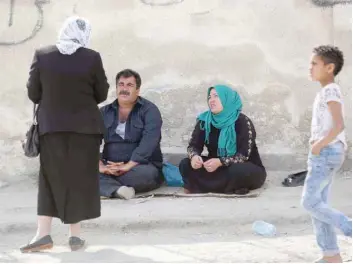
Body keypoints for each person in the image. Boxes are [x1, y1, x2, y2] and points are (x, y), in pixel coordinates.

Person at [21, 16, 109, 253]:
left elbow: (33, 92)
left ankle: (43, 234)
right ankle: (75, 237)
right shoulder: (92, 57)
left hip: (52, 127)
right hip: (86, 129)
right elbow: (101, 93)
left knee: (50, 178)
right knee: (78, 178)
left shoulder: (43, 54)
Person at [301, 45, 352, 263]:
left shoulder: (331, 90)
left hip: (326, 152)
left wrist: (319, 145)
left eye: (315, 63)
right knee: (319, 205)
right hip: (327, 152)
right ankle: (331, 255)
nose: (310, 67)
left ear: (329, 68)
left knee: (309, 202)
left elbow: (339, 124)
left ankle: (349, 227)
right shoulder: (325, 91)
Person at [179, 85, 266, 194]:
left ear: (227, 99)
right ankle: (228, 187)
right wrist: (194, 157)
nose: (211, 100)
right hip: (215, 167)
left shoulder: (242, 121)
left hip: (243, 166)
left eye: (216, 96)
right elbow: (194, 146)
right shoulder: (204, 121)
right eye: (209, 97)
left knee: (236, 171)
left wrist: (221, 162)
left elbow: (243, 155)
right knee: (185, 164)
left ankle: (207, 186)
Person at [99, 69, 164, 199]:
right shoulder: (103, 112)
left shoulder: (149, 110)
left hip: (140, 167)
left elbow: (150, 141)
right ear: (116, 88)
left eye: (129, 85)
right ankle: (118, 190)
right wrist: (100, 166)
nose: (124, 89)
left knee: (147, 175)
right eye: (121, 84)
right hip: (109, 165)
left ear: (138, 90)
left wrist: (128, 165)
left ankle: (104, 186)